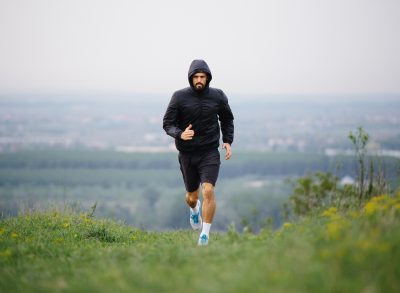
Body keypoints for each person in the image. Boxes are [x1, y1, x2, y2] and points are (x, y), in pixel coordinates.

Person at [163, 59, 234, 246]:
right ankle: (194, 210)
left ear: (208, 78)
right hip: (187, 154)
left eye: (203, 76)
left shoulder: (218, 96)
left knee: (208, 190)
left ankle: (205, 235)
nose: (199, 80)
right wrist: (180, 134)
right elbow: (167, 123)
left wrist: (227, 141)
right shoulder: (179, 97)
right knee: (192, 197)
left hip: (209, 151)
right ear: (191, 78)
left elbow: (227, 119)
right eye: (196, 77)